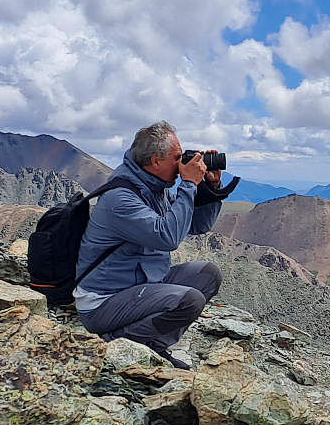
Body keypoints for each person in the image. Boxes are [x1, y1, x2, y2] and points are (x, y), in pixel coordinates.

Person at [74, 121, 225, 368]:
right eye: (177, 157)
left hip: (141, 287)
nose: (181, 164)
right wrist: (188, 184)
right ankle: (118, 342)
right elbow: (168, 238)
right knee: (190, 300)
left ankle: (155, 347)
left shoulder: (156, 187)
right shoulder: (121, 197)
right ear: (155, 161)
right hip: (104, 302)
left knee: (208, 274)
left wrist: (211, 186)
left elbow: (197, 225)